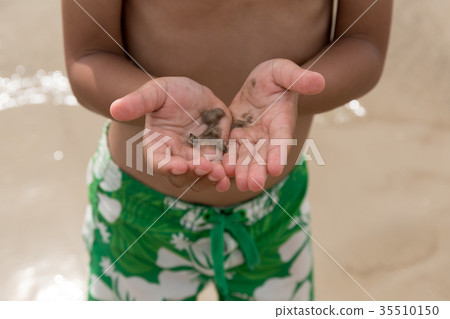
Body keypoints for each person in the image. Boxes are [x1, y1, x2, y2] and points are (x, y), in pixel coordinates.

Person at [62, 0, 392, 300]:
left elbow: (364, 44)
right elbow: (88, 55)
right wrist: (155, 99)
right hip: (138, 213)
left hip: (276, 210)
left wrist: (291, 94)